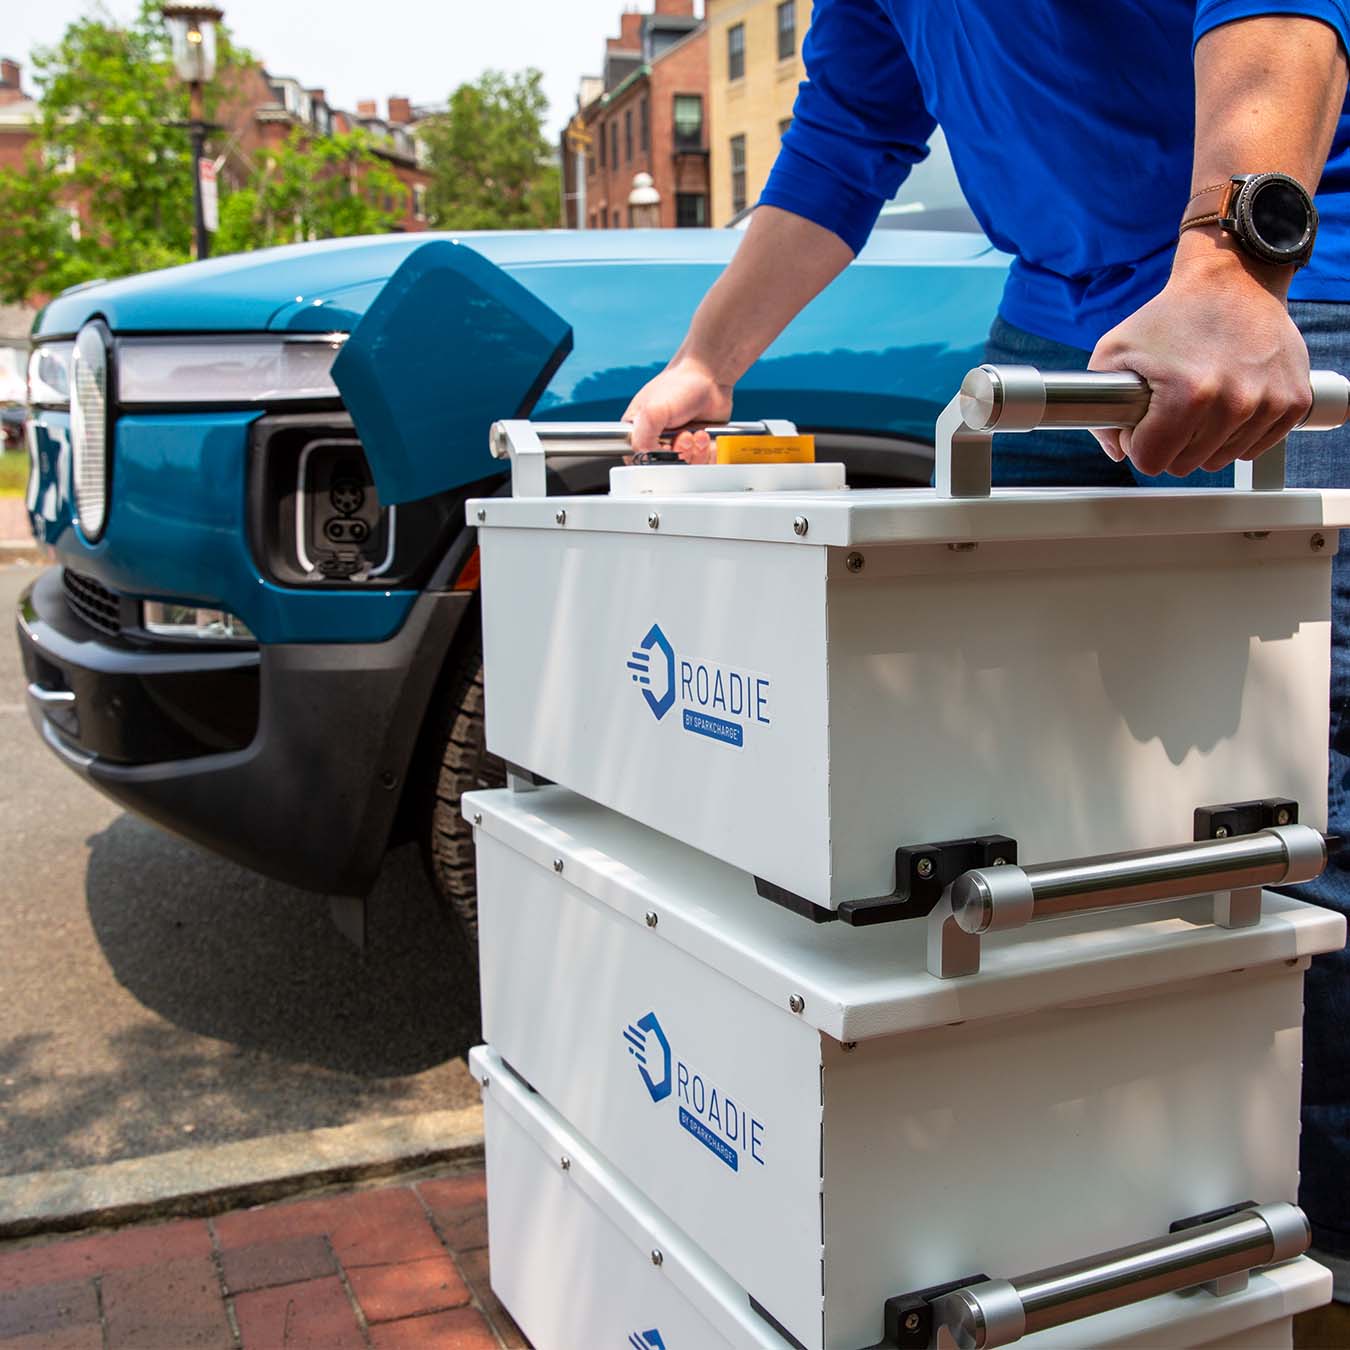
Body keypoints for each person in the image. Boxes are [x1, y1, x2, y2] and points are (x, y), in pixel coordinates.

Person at [625, 1, 1350, 1328]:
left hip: (1278, 281)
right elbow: (845, 136)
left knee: (1293, 795)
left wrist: (1233, 269)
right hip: (1060, 319)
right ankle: (1063, 1186)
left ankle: (1308, 1260)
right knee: (994, 778)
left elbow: (1277, 13)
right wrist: (705, 357)